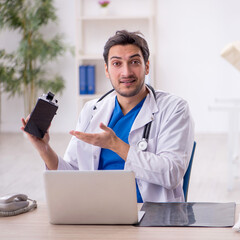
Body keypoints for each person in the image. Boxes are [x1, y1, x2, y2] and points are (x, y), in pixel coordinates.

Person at [21, 30, 195, 203]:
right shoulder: (92, 109)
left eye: (134, 62)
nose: (126, 72)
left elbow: (172, 173)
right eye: (117, 64)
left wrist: (116, 145)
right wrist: (44, 149)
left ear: (146, 66)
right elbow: (71, 174)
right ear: (106, 69)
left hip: (151, 215)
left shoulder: (174, 109)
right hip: (98, 211)